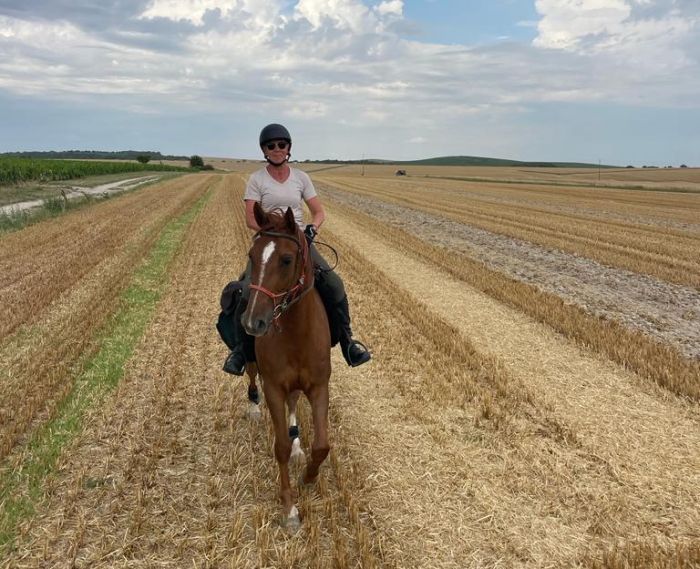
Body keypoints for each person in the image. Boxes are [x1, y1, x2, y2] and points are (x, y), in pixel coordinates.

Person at [222, 123, 371, 375]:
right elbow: (250, 218)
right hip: (269, 241)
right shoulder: (257, 180)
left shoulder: (301, 178)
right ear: (264, 150)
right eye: (271, 146)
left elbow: (319, 211)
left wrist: (313, 227)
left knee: (333, 284)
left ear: (288, 148)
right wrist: (275, 226)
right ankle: (240, 351)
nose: (277, 149)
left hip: (298, 241)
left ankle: (347, 342)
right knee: (247, 289)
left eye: (282, 145)